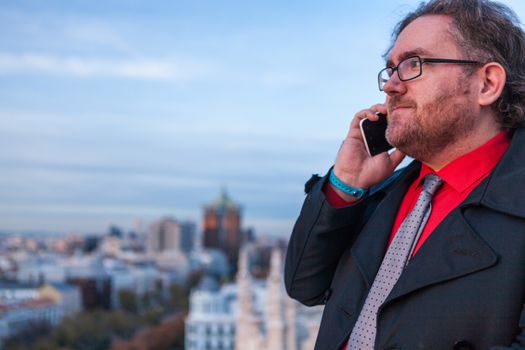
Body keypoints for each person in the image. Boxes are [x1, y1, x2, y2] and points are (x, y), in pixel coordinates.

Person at [284, 0, 525, 349]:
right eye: (391, 69)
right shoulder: (382, 192)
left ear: (487, 83)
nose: (390, 86)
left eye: (415, 64)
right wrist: (346, 184)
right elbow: (304, 285)